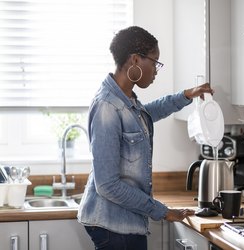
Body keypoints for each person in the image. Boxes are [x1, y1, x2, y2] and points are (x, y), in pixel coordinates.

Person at [77, 26, 214, 250]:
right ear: (135, 61)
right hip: (113, 225)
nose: (156, 70)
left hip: (124, 222)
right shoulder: (107, 107)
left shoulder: (126, 101)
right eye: (154, 62)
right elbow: (107, 185)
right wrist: (161, 211)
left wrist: (186, 95)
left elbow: (149, 113)